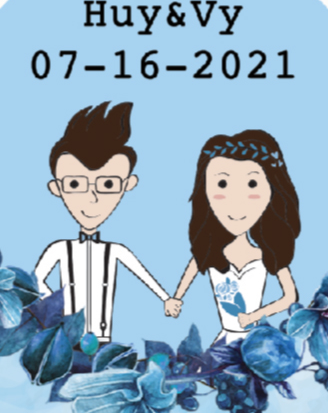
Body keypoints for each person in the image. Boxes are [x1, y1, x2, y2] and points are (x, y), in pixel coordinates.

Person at [34, 102, 180, 343]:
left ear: (128, 184)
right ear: (56, 188)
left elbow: (141, 272)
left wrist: (166, 298)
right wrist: (55, 307)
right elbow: (36, 279)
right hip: (67, 336)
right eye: (75, 184)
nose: (92, 198)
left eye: (108, 184)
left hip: (102, 337)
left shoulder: (116, 250)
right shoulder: (60, 249)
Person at [170, 130, 300, 340]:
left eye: (252, 184)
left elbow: (290, 297)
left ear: (272, 192)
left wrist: (254, 316)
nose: (237, 201)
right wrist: (175, 299)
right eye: (222, 184)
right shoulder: (210, 252)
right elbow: (189, 275)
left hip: (254, 339)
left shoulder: (267, 254)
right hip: (224, 338)